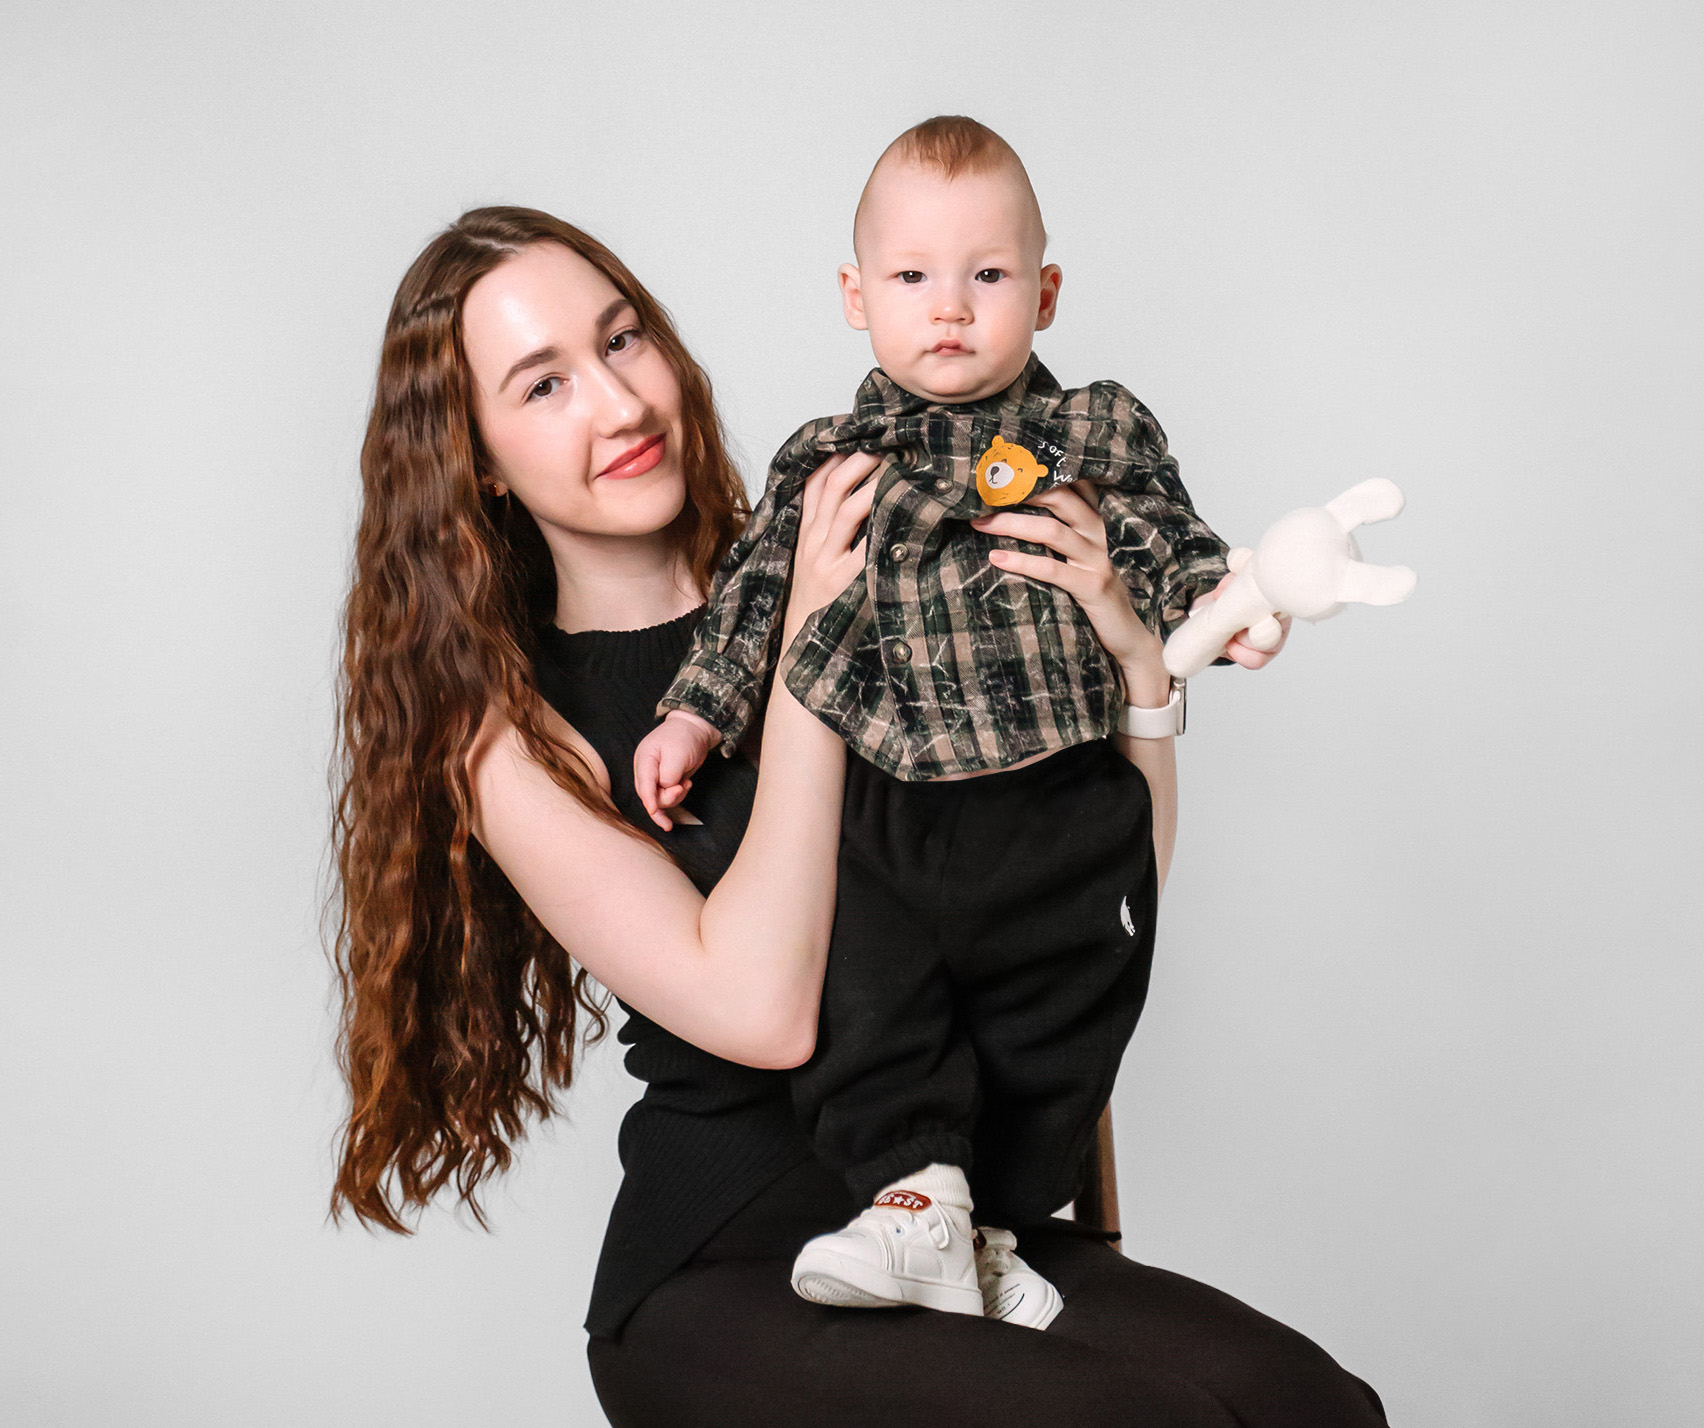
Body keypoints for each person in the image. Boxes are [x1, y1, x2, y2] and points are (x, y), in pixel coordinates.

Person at [331, 205, 1387, 1426]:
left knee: (1314, 1407)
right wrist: (806, 650)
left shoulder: (866, 557)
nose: (618, 405)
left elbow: (1089, 893)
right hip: (726, 1268)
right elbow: (762, 1010)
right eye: (543, 384)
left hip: (967, 1231)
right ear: (474, 457)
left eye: (622, 341)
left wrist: (1139, 668)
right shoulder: (506, 737)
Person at [631, 115, 1248, 1328]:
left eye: (989, 275)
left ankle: (989, 1229)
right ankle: (915, 1197)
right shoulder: (831, 462)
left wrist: (1229, 609)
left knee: (1067, 1016)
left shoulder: (1094, 432)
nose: (950, 307)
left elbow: (1169, 544)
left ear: (1045, 294)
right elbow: (753, 601)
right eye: (912, 277)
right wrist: (695, 716)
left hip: (1059, 793)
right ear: (856, 297)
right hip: (892, 794)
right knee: (872, 988)